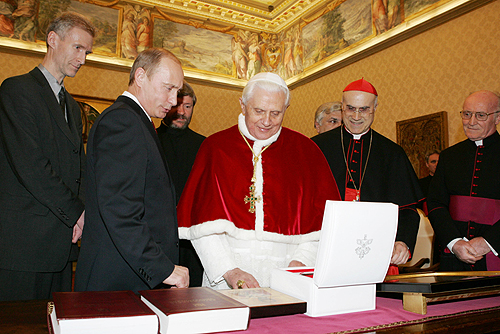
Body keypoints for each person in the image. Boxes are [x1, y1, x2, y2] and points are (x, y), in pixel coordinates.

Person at [177, 72, 341, 290]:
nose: (266, 121)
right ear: (243, 105)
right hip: (226, 280)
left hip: (289, 277)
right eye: (259, 111)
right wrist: (230, 271)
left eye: (276, 113)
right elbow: (200, 227)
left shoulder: (306, 152)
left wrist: (300, 264)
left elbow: (323, 225)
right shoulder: (216, 148)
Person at [75, 48, 189, 292]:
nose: (174, 101)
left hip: (129, 275)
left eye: (177, 92)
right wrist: (162, 268)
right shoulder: (123, 122)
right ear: (140, 77)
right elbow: (120, 209)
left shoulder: (137, 121)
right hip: (118, 280)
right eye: (168, 88)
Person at [0, 12, 94, 301]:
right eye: (78, 48)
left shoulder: (71, 104)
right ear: (53, 39)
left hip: (62, 245)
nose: (83, 58)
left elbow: (77, 165)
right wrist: (77, 212)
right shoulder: (16, 90)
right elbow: (31, 166)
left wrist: (81, 213)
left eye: (87, 52)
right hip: (23, 245)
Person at [312, 78, 422, 271]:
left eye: (363, 109)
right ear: (343, 106)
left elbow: (408, 209)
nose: (356, 116)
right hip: (321, 248)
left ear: (375, 107)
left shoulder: (392, 152)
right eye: (350, 108)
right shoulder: (317, 147)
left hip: (375, 249)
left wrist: (403, 241)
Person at [427, 90, 500, 271]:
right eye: (467, 114)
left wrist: (489, 242)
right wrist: (454, 242)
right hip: (453, 254)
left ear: (497, 118)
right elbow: (435, 203)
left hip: (494, 251)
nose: (471, 121)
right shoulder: (449, 156)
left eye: (480, 115)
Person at [157, 81, 205, 287]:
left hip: (192, 237)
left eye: (188, 106)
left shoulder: (204, 145)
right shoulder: (151, 139)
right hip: (158, 234)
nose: (182, 112)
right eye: (178, 105)